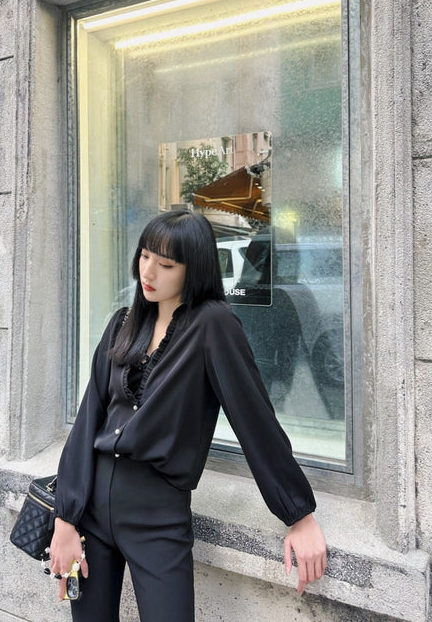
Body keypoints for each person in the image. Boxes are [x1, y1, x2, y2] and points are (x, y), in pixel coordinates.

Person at [49, 209, 327, 622]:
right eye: (145, 256)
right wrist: (65, 519)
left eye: (166, 265)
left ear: (192, 270)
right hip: (89, 513)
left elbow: (254, 419)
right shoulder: (123, 323)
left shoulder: (214, 325)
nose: (148, 272)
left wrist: (298, 515)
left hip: (157, 515)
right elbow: (88, 421)